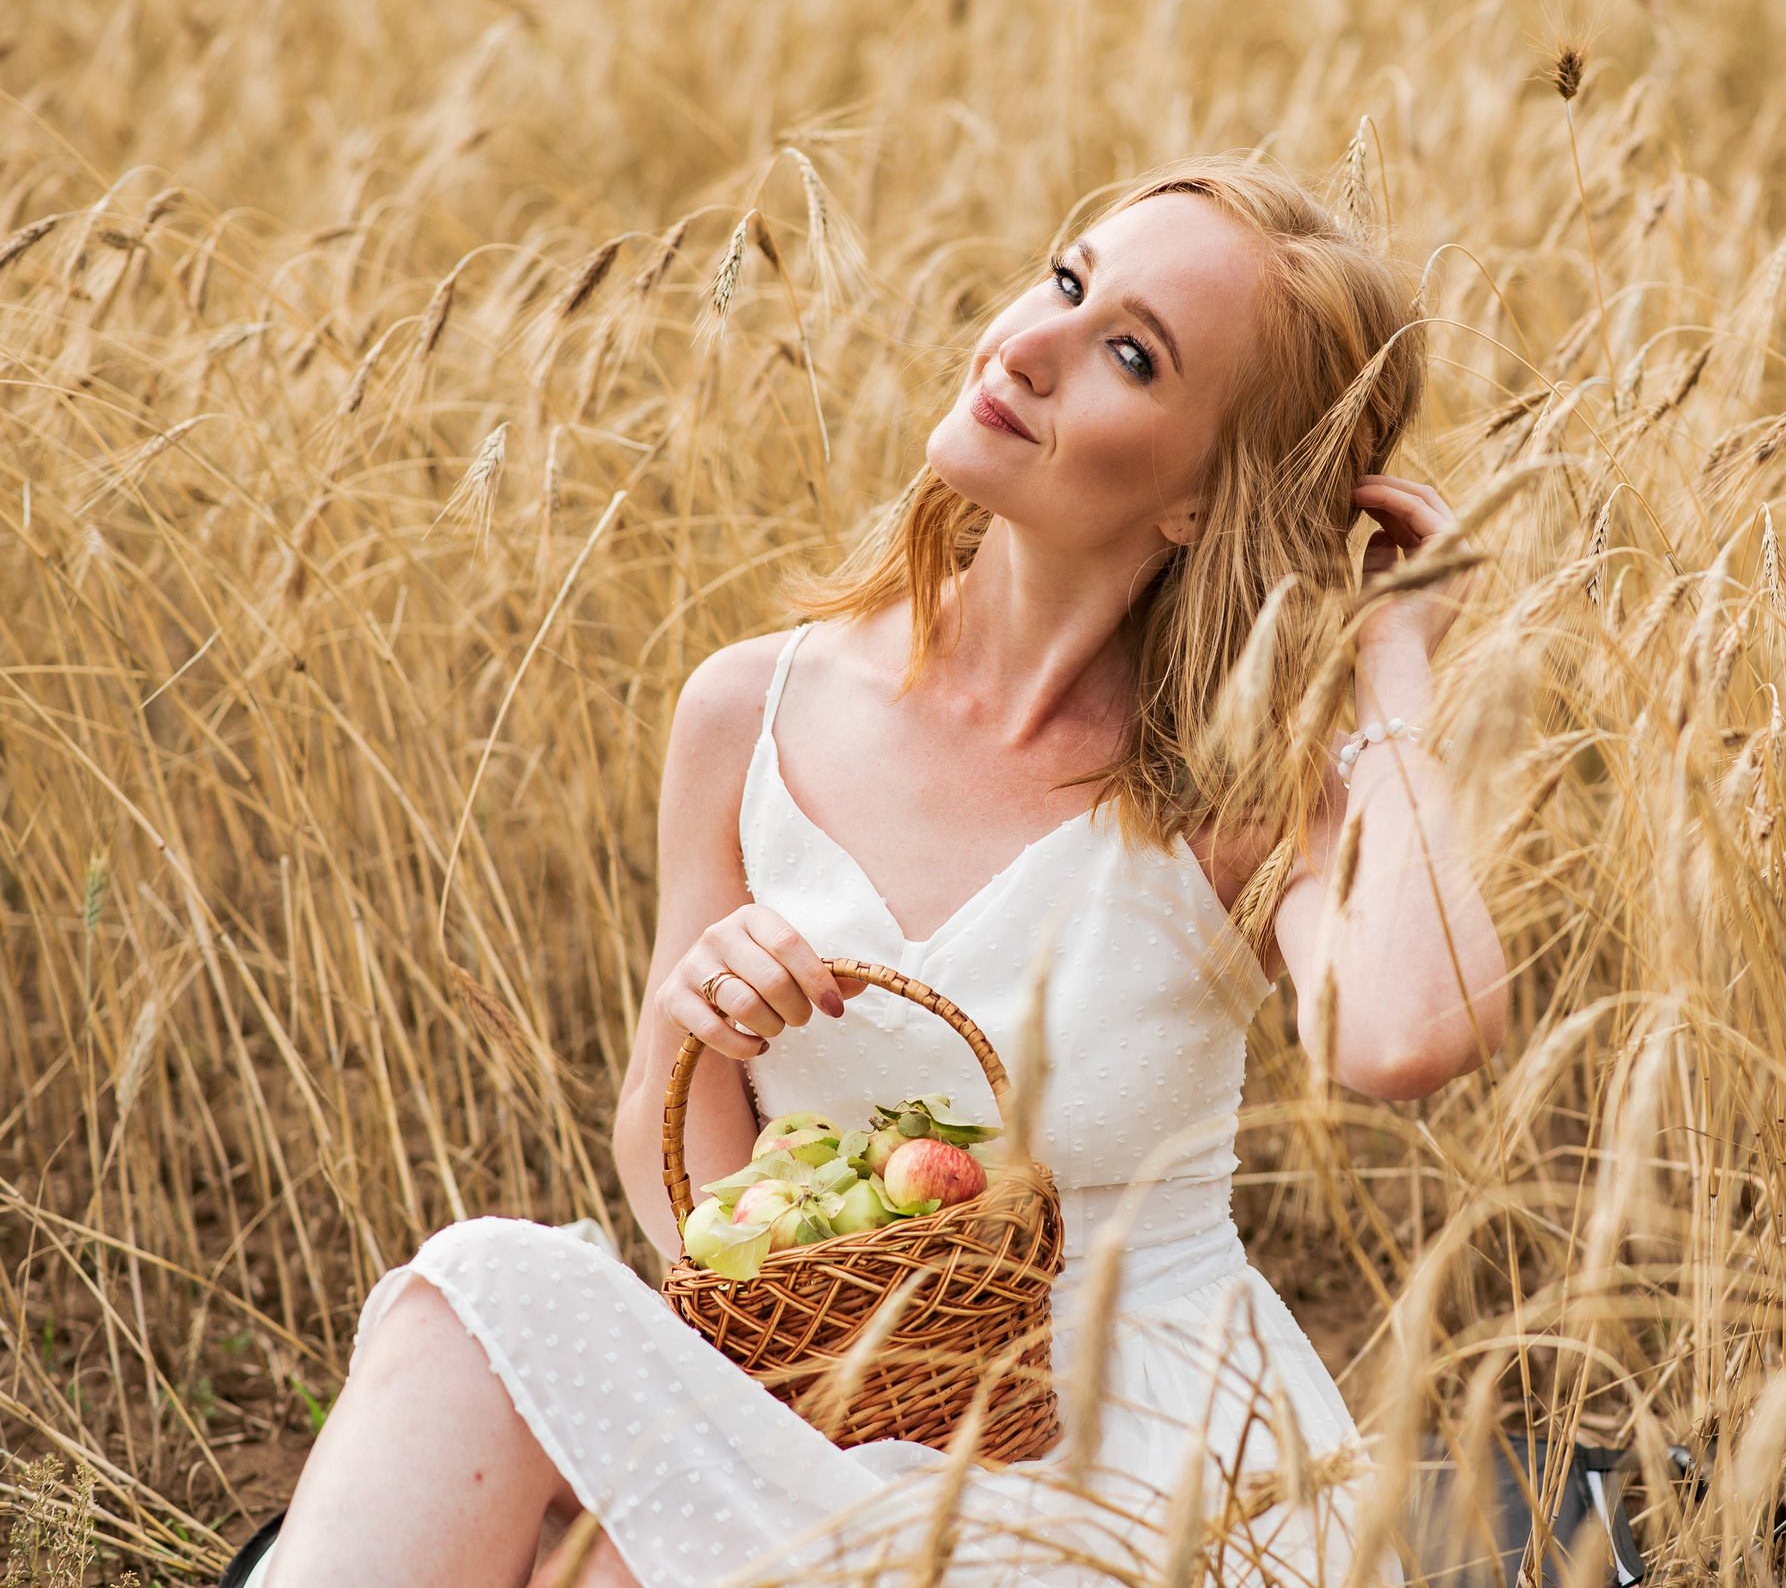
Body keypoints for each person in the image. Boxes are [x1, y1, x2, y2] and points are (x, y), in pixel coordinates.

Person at [241, 156, 1506, 1588]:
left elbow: (1412, 1033)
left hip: (1138, 1478)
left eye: (1129, 355)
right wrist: (692, 1023)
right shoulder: (751, 709)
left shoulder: (1235, 796)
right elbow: (695, 1192)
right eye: (1066, 278)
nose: (1026, 343)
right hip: (826, 1400)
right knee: (478, 1290)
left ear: (1206, 501)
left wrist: (1394, 663)